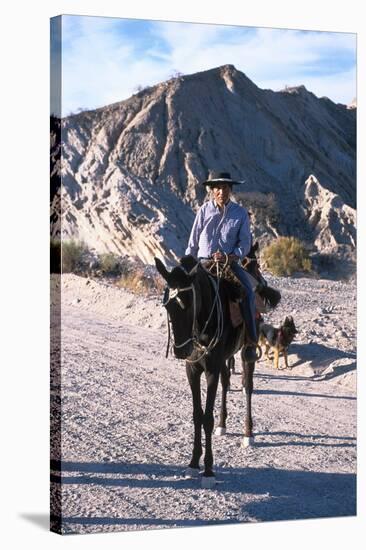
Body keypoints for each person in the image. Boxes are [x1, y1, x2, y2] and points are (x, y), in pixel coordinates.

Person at [185, 170, 257, 359]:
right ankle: (183, 337)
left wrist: (230, 256)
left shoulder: (240, 214)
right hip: (202, 263)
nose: (221, 192)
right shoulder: (204, 210)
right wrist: (186, 262)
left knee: (248, 291)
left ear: (230, 190)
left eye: (225, 187)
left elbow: (245, 243)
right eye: (217, 188)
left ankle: (251, 341)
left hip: (227, 264)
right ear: (212, 190)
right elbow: (193, 241)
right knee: (181, 292)